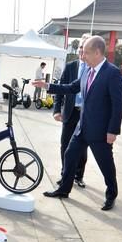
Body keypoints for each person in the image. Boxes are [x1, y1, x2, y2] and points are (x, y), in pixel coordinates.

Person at [33, 36, 122, 211]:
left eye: (87, 53)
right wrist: (47, 86)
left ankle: (111, 194)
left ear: (98, 52)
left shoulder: (111, 73)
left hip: (100, 131)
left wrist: (113, 130)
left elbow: (118, 104)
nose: (83, 56)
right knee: (69, 155)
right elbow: (71, 87)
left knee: (105, 164)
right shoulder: (87, 71)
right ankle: (64, 189)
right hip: (82, 127)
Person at [52, 35, 89, 188]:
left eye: (85, 48)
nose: (82, 51)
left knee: (82, 148)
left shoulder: (94, 69)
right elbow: (61, 89)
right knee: (65, 145)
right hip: (70, 112)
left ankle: (78, 176)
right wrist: (56, 110)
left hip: (86, 115)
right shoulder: (71, 66)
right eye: (80, 47)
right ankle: (65, 174)